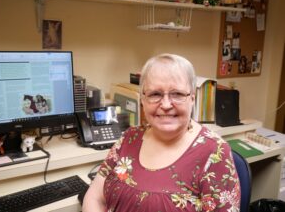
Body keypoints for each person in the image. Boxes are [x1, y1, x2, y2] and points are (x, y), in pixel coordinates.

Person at [83, 53, 240, 212]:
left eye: (177, 94)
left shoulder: (215, 153)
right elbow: (95, 197)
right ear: (143, 100)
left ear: (192, 98)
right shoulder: (130, 138)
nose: (165, 104)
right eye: (155, 94)